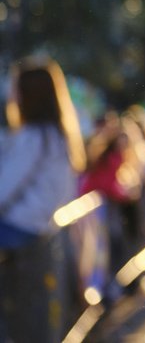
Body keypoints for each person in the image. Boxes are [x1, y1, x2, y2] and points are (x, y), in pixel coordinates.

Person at [0, 60, 85, 250]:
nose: (10, 95)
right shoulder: (58, 135)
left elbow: (4, 189)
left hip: (19, 226)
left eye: (14, 88)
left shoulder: (34, 137)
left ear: (27, 94)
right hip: (43, 227)